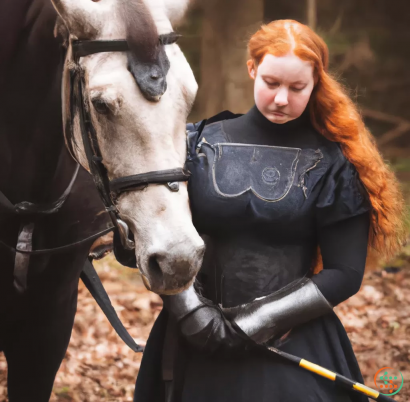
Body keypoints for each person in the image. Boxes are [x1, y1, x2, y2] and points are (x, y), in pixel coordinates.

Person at [134, 20, 405, 402]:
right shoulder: (194, 144)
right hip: (189, 335)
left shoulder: (334, 163)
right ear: (252, 69)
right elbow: (154, 233)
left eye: (297, 88)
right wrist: (193, 315)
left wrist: (253, 324)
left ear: (316, 83)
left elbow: (345, 272)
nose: (282, 99)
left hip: (292, 335)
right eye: (272, 83)